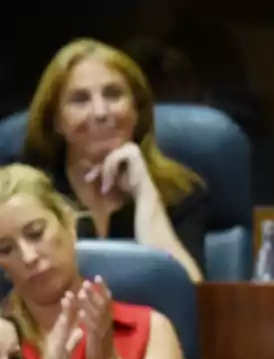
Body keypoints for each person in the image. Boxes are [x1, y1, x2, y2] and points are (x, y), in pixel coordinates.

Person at [0, 165, 191, 359]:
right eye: (6, 249)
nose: (29, 257)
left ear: (69, 226)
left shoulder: (147, 329)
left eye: (36, 234)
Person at [18, 39, 207, 282]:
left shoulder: (182, 193)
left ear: (137, 111)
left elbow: (189, 296)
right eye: (80, 99)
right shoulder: (26, 196)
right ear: (56, 121)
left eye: (113, 94)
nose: (100, 112)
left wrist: (145, 192)